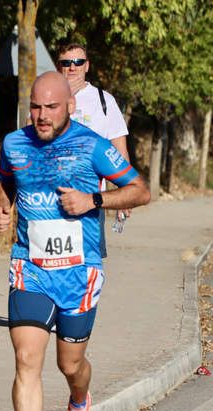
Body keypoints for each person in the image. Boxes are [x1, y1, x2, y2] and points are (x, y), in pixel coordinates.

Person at [0, 72, 150, 411]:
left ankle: (79, 404)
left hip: (80, 271)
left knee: (70, 364)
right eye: (36, 107)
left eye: (51, 107)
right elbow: (4, 181)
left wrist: (94, 200)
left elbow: (140, 190)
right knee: (26, 359)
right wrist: (1, 208)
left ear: (70, 107)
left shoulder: (92, 146)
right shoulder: (15, 143)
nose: (42, 116)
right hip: (31, 265)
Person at [56, 43, 131, 256]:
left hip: (90, 197)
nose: (73, 67)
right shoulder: (48, 98)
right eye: (66, 63)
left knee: (88, 263)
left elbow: (119, 152)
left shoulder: (104, 101)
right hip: (49, 197)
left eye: (78, 62)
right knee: (52, 262)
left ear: (86, 66)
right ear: (58, 66)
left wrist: (125, 193)